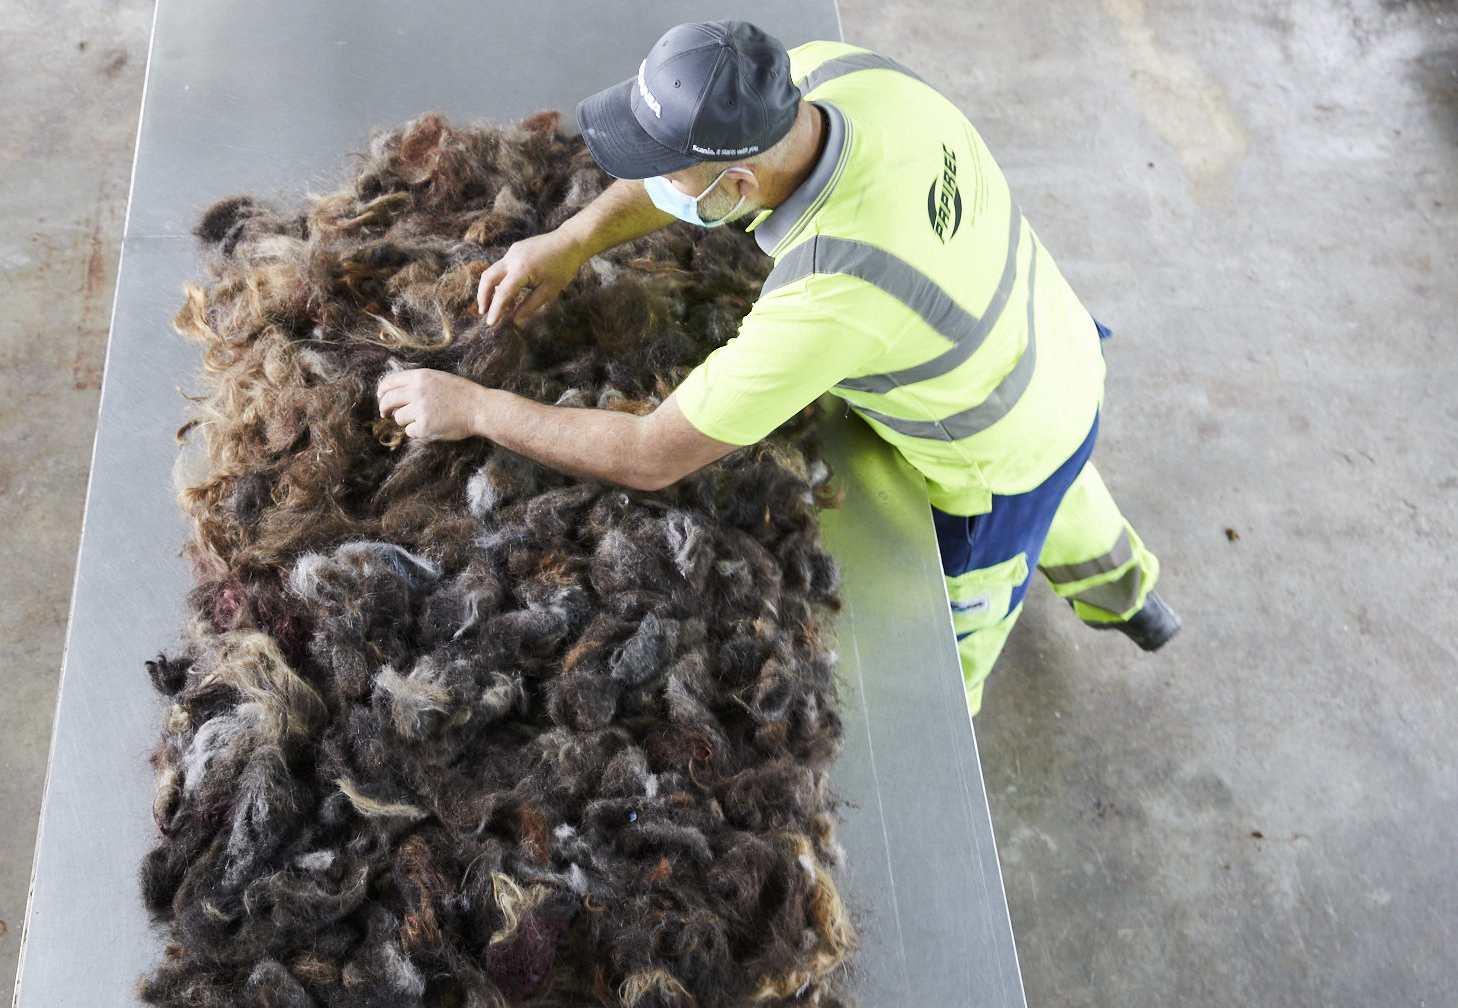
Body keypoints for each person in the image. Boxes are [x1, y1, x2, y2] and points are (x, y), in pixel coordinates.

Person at [376, 21, 1177, 714]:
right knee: (1072, 481)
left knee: (953, 628)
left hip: (997, 451)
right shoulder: (833, 76)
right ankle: (1132, 599)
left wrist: (475, 408)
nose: (652, 185)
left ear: (738, 185)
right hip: (1052, 340)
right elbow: (699, 172)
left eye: (668, 175)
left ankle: (959, 712)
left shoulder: (838, 288)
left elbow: (652, 452)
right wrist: (572, 241)